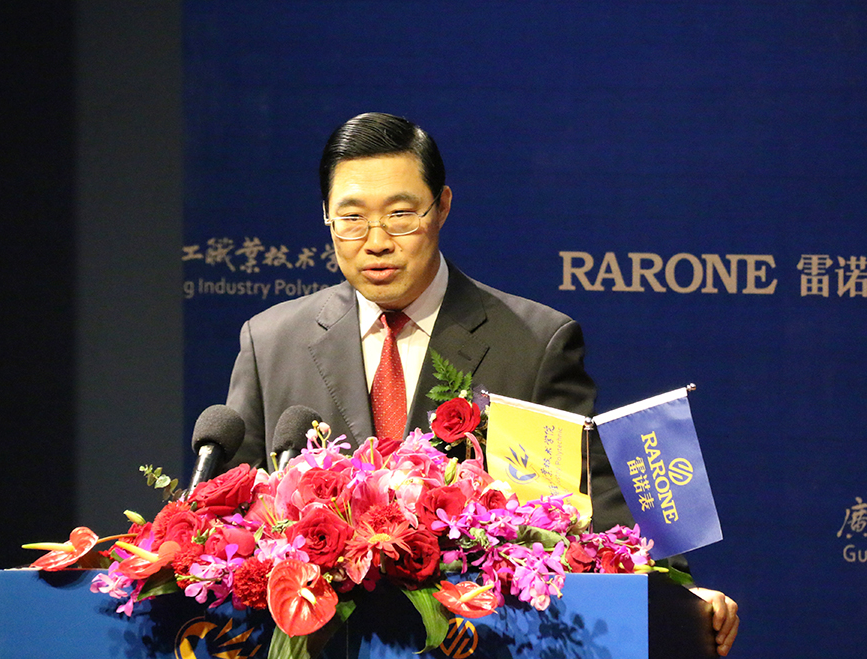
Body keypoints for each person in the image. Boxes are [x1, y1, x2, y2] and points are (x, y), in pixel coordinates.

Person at [224, 112, 738, 655]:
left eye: (400, 216)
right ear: (326, 215)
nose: (375, 242)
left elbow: (598, 512)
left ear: (442, 206)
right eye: (351, 218)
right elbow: (225, 517)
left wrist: (675, 595)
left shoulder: (534, 343)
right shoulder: (271, 342)